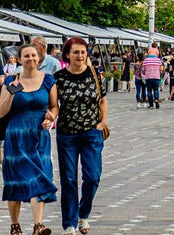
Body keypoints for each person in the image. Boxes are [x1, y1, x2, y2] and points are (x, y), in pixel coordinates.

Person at [0, 42, 58, 235]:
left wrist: (51, 118)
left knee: (40, 176)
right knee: (15, 179)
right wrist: (12, 93)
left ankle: (38, 225)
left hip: (39, 135)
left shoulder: (48, 81)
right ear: (20, 59)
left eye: (34, 55)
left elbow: (54, 106)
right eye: (26, 56)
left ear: (39, 58)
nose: (31, 59)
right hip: (17, 134)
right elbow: (1, 110)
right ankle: (15, 225)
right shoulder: (10, 81)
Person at [55, 38, 107, 235]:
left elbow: (102, 100)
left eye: (83, 52)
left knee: (93, 177)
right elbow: (54, 104)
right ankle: (70, 223)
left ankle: (83, 213)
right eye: (76, 52)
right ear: (67, 55)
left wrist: (101, 124)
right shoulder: (59, 77)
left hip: (91, 133)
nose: (80, 56)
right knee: (68, 179)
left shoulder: (94, 74)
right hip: (67, 134)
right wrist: (50, 116)